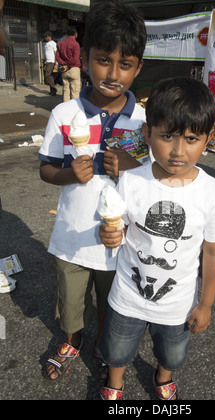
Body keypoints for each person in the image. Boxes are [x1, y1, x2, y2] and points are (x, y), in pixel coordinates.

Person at [97, 77, 215, 400]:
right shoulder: (131, 180)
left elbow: (213, 253)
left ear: (208, 139)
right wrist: (109, 235)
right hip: (128, 295)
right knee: (116, 350)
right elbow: (116, 231)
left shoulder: (213, 193)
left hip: (178, 303)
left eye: (191, 138)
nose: (178, 150)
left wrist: (206, 303)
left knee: (172, 355)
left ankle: (162, 378)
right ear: (147, 134)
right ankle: (114, 382)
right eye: (167, 136)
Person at [39, 0, 147, 380]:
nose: (113, 73)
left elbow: (158, 177)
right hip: (71, 234)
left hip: (120, 239)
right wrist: (69, 175)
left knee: (112, 303)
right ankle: (72, 340)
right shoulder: (64, 115)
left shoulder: (143, 123)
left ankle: (106, 348)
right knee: (70, 302)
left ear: (138, 67)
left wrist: (132, 166)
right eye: (104, 60)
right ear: (84, 58)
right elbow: (46, 169)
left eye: (126, 64)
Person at [56, 26, 81, 102]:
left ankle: (65, 109)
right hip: (73, 69)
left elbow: (57, 56)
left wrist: (63, 64)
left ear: (66, 34)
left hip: (64, 70)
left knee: (66, 90)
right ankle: (74, 109)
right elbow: (75, 59)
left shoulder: (60, 43)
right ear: (75, 34)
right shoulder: (75, 44)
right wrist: (68, 65)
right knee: (75, 91)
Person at [43, 31, 57, 96]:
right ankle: (52, 90)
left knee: (47, 75)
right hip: (48, 61)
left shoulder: (53, 43)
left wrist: (56, 62)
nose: (45, 38)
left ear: (49, 36)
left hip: (52, 61)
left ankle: (54, 88)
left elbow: (55, 53)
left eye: (46, 36)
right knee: (50, 76)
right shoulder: (46, 44)